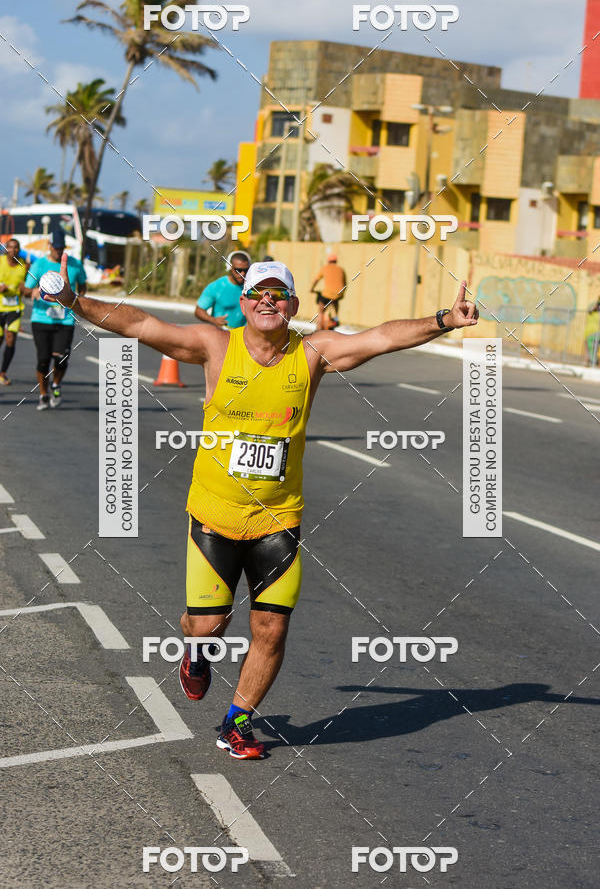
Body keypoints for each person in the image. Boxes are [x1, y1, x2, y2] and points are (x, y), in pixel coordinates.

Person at [50, 255, 479, 759]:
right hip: (215, 514)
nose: (267, 300)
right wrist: (73, 301)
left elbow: (380, 338)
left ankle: (237, 722)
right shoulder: (216, 346)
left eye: (278, 293)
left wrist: (443, 320)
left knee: (271, 628)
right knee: (207, 627)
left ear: (293, 305)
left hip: (278, 519)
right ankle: (195, 650)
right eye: (258, 292)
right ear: (244, 301)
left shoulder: (312, 353)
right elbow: (141, 325)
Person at [24, 229, 87, 410]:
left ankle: (56, 384)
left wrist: (78, 300)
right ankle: (43, 394)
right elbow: (26, 289)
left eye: (61, 248)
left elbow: (83, 286)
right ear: (49, 246)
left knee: (61, 359)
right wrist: (32, 292)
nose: (58, 251)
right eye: (55, 247)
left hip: (65, 320)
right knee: (43, 360)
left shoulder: (75, 265)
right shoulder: (39, 265)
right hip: (41, 319)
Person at [194, 251, 251, 329]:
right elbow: (198, 311)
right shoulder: (216, 286)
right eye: (238, 270)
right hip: (220, 333)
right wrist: (213, 320)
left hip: (243, 334)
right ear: (229, 268)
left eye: (246, 270)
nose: (243, 274)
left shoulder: (251, 287)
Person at [0, 238, 27, 385]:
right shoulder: (0, 262)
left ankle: (3, 373)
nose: (13, 250)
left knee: (10, 338)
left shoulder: (24, 265)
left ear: (19, 249)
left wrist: (25, 289)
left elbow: (28, 286)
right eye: (10, 247)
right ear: (6, 249)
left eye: (16, 247)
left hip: (14, 308)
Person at [310, 252, 347, 330]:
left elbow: (316, 280)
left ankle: (319, 329)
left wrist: (312, 289)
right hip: (338, 294)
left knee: (321, 310)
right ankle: (336, 318)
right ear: (336, 261)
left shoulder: (324, 268)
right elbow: (345, 284)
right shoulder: (341, 269)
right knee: (335, 304)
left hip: (327, 294)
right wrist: (341, 294)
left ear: (328, 261)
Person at [584, 299, 600, 366]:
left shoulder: (595, 314)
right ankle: (591, 361)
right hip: (589, 333)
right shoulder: (592, 313)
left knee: (593, 349)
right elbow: (590, 309)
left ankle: (593, 361)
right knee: (590, 349)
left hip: (595, 333)